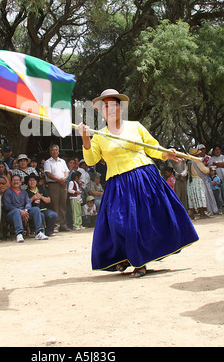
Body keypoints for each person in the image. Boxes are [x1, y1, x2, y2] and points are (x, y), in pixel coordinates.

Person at [78, 88, 199, 278]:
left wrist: (165, 153)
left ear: (121, 108)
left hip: (143, 178)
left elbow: (153, 147)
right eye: (106, 106)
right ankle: (126, 256)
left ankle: (140, 262)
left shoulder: (135, 126)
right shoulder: (98, 135)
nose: (110, 109)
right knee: (118, 222)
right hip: (117, 183)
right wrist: (85, 139)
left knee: (142, 221)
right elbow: (92, 159)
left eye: (114, 105)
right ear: (101, 111)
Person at [3, 174, 48, 242]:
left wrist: (26, 210)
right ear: (11, 182)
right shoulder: (8, 192)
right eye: (14, 180)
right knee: (16, 211)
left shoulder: (24, 192)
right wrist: (20, 211)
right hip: (12, 213)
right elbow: (8, 206)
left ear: (21, 182)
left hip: (24, 212)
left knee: (36, 209)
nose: (16, 182)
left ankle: (39, 232)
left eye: (17, 180)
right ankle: (19, 233)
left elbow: (28, 202)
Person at [44, 144, 71, 232]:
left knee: (63, 205)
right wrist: (60, 180)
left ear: (58, 151)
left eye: (56, 150)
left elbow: (67, 171)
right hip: (54, 185)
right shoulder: (48, 162)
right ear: (50, 152)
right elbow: (48, 174)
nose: (55, 151)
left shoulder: (62, 161)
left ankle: (63, 225)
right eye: (53, 150)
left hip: (63, 184)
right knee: (55, 205)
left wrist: (65, 178)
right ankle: (56, 225)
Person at [187, 148, 218, 218]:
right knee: (200, 196)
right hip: (198, 181)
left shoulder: (189, 162)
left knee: (193, 197)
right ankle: (202, 214)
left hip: (190, 181)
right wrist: (210, 168)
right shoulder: (197, 162)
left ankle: (192, 212)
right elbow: (204, 170)